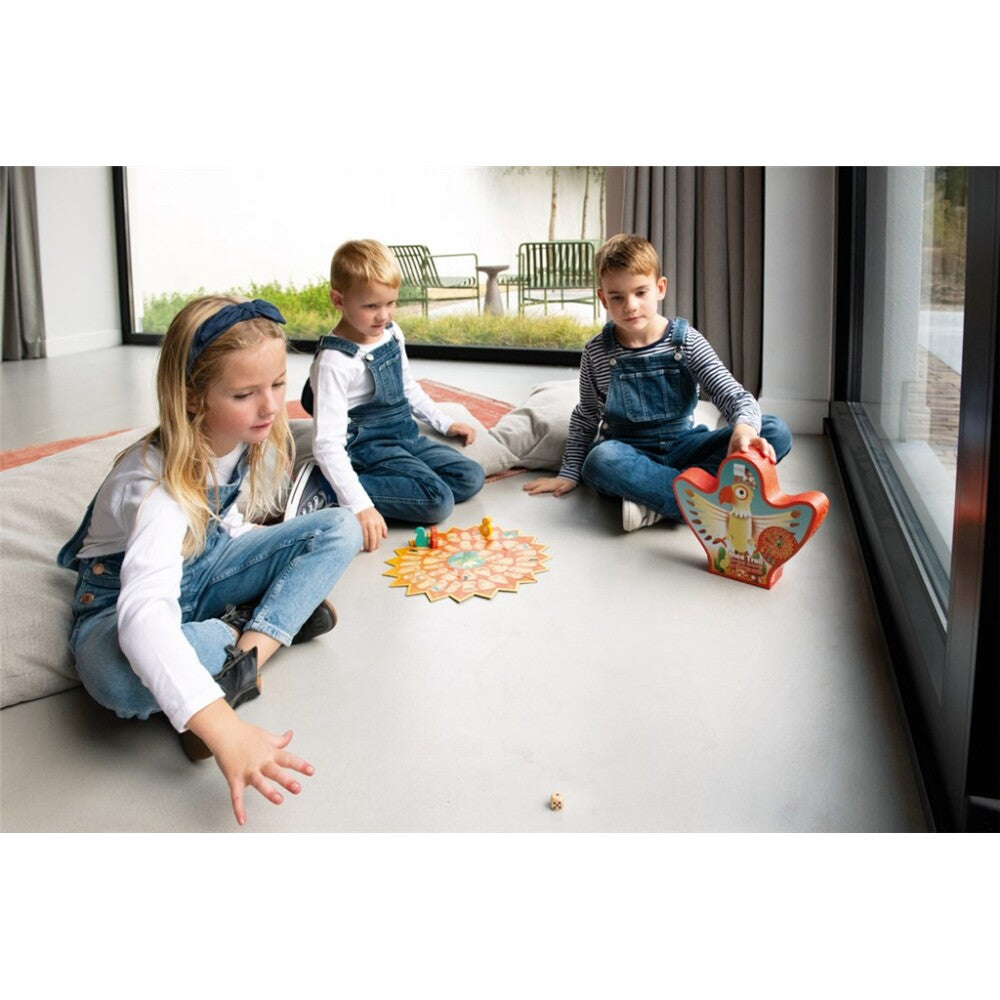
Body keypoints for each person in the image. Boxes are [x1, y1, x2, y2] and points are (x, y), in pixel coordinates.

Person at [57, 295, 363, 826]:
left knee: (340, 528)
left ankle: (244, 657)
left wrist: (265, 555)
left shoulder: (242, 433)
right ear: (193, 398)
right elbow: (143, 615)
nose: (270, 407)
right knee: (114, 679)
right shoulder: (155, 487)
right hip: (119, 602)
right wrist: (222, 729)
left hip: (206, 563)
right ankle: (246, 628)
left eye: (278, 385)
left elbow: (227, 521)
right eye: (245, 394)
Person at [524, 234, 792, 529]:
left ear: (660, 288)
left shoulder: (687, 341)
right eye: (617, 297)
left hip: (685, 446)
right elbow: (586, 416)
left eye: (640, 292)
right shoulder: (596, 352)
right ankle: (708, 501)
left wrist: (744, 429)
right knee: (600, 461)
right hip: (629, 453)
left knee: (774, 430)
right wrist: (569, 472)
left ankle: (661, 503)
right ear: (603, 299)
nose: (630, 306)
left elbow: (734, 396)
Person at [289, 239, 485, 552]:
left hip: (404, 436)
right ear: (338, 300)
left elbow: (407, 387)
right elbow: (327, 442)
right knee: (437, 501)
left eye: (390, 303)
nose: (383, 315)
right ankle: (327, 489)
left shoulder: (391, 332)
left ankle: (390, 484)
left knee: (470, 476)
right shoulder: (335, 362)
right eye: (371, 307)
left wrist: (444, 423)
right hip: (366, 447)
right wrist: (360, 505)